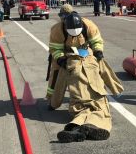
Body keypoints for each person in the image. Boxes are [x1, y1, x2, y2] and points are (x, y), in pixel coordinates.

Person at [48, 12, 124, 143]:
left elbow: (96, 42)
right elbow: (106, 72)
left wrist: (54, 103)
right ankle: (89, 127)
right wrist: (117, 89)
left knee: (81, 111)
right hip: (97, 95)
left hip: (77, 100)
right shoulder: (58, 31)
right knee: (102, 113)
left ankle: (74, 127)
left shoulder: (89, 27)